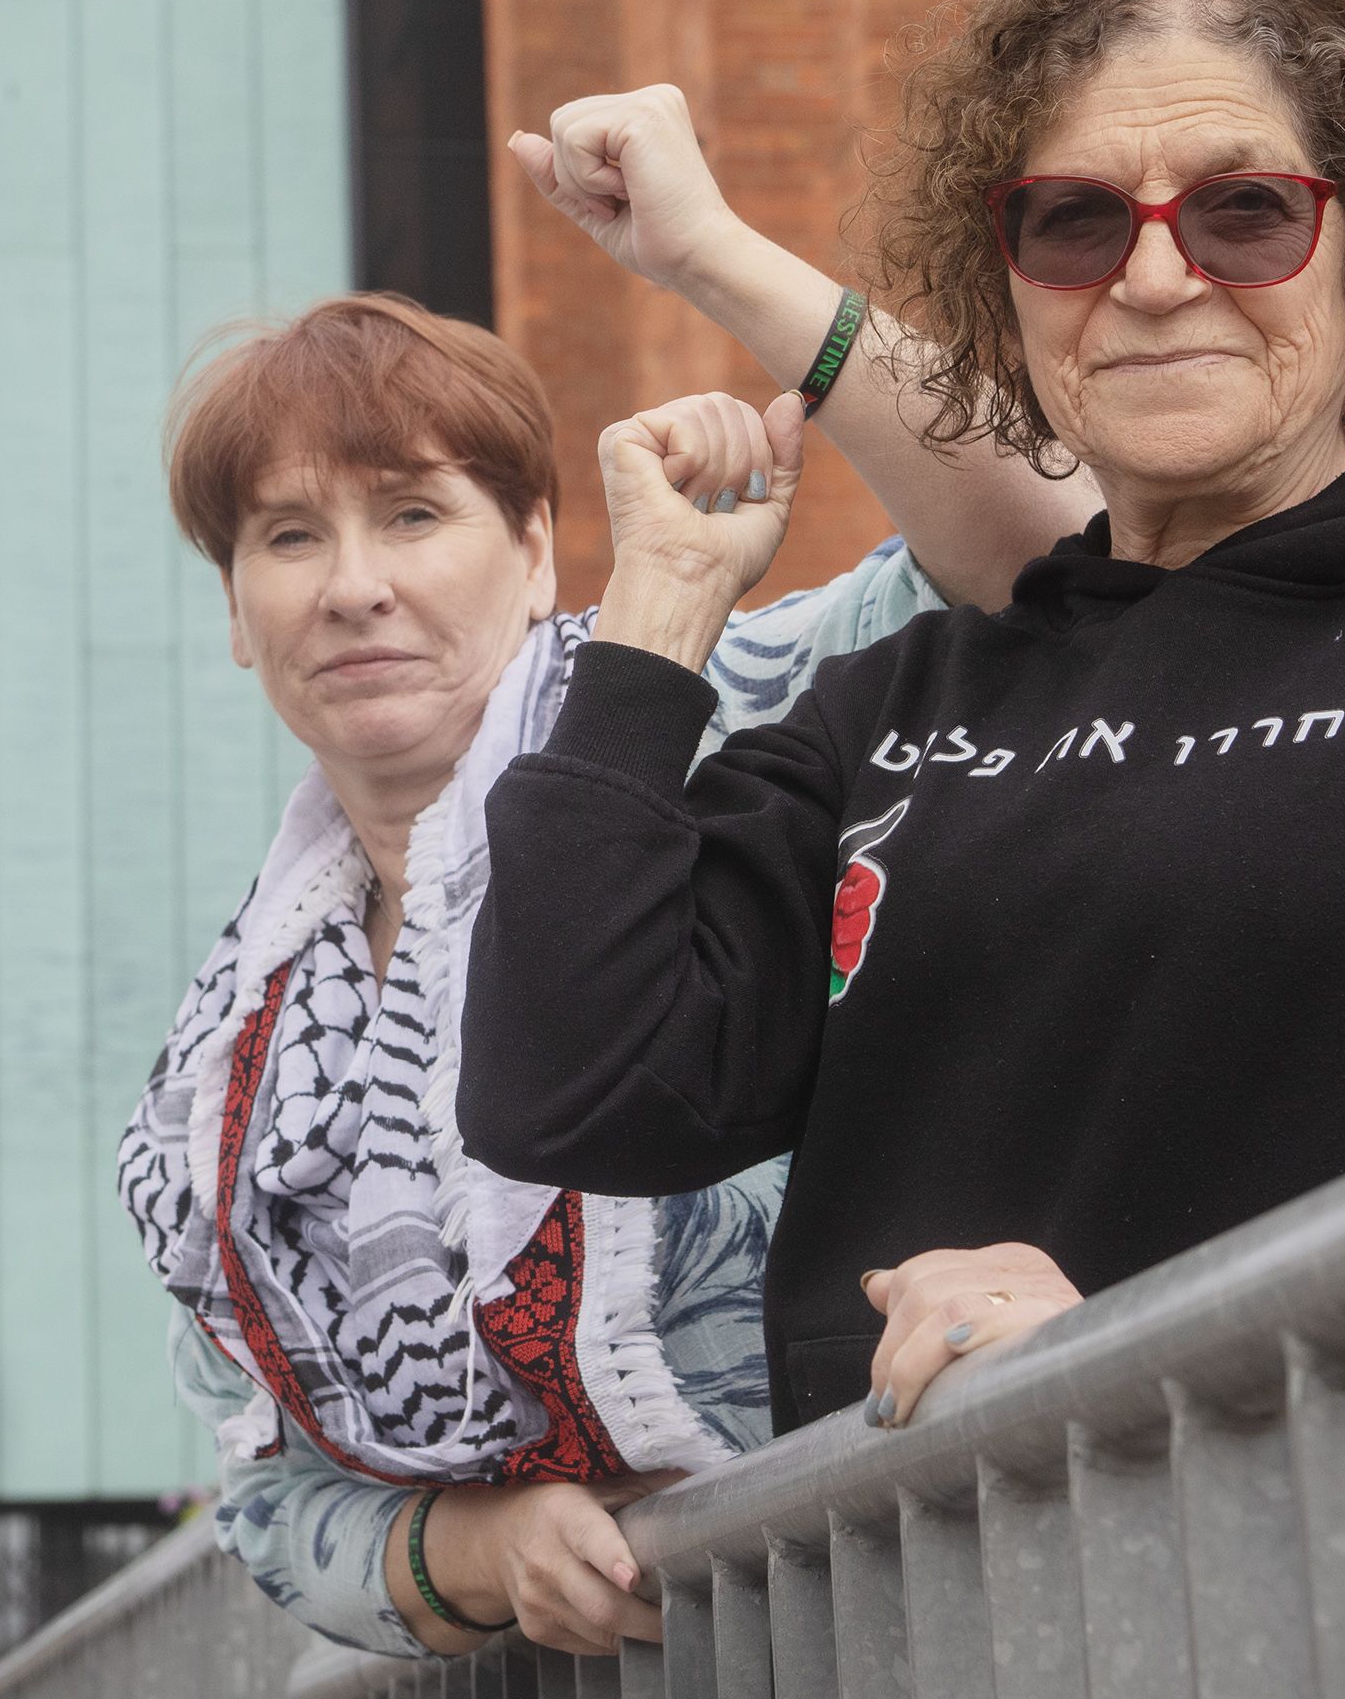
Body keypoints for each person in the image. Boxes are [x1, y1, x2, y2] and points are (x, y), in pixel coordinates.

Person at [458, 0, 1345, 1439]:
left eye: (1245, 211)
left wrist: (1156, 1364)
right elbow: (569, 1085)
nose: (1156, 280)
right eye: (1078, 221)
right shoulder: (903, 707)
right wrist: (660, 617)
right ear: (1007, 285)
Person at [112, 292, 1072, 1659]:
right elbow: (266, 1498)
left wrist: (712, 260)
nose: (352, 584)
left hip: (942, 1590)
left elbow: (1032, 547)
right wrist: (483, 1550)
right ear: (237, 612)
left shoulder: (724, 703)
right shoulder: (238, 1058)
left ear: (537, 549)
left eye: (413, 515)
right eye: (288, 535)